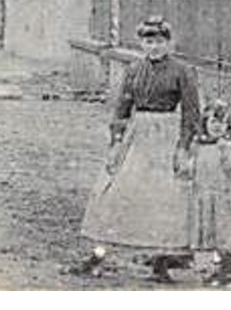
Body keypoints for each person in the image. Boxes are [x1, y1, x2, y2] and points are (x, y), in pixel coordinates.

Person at [72, 15, 200, 283]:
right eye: (148, 41)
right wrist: (116, 143)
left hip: (166, 135)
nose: (154, 47)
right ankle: (98, 255)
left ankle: (161, 262)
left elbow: (191, 113)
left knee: (166, 198)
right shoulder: (133, 70)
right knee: (115, 191)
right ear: (141, 43)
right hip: (137, 136)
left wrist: (184, 148)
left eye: (159, 41)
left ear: (169, 43)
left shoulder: (182, 71)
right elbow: (121, 109)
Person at [183, 99, 231, 288]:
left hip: (223, 197)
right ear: (205, 124)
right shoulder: (199, 146)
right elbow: (190, 169)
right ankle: (214, 270)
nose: (218, 127)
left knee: (224, 234)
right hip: (203, 195)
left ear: (228, 126)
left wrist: (228, 153)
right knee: (208, 234)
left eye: (222, 123)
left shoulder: (229, 147)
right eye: (213, 122)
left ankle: (229, 271)